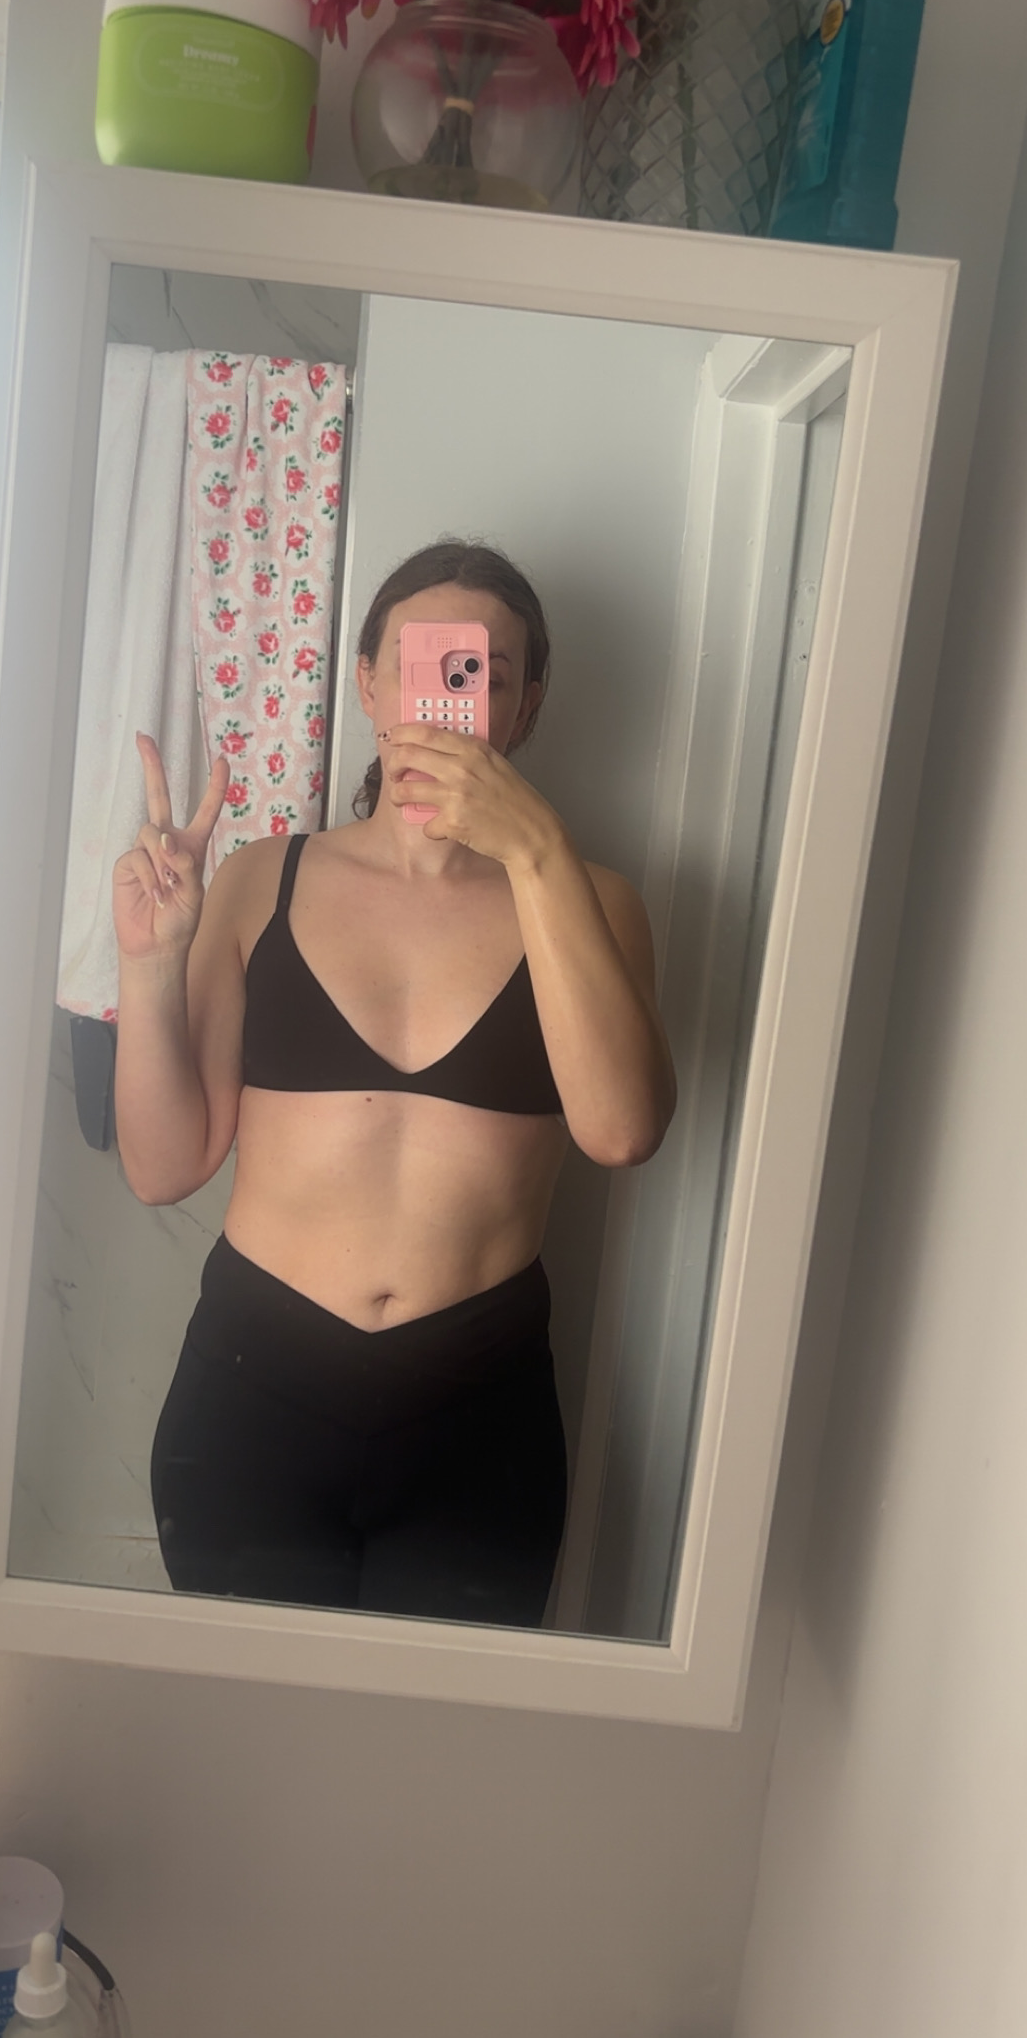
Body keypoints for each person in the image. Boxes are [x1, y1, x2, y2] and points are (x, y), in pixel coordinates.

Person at [113, 541, 676, 1628]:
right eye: (421, 665)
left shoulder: (596, 902)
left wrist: (538, 854)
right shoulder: (261, 881)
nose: (445, 700)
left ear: (526, 704)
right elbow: (162, 1166)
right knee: (250, 1717)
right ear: (369, 684)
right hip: (252, 1387)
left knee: (435, 1733)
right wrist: (148, 963)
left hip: (481, 1409)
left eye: (483, 673)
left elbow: (622, 1132)